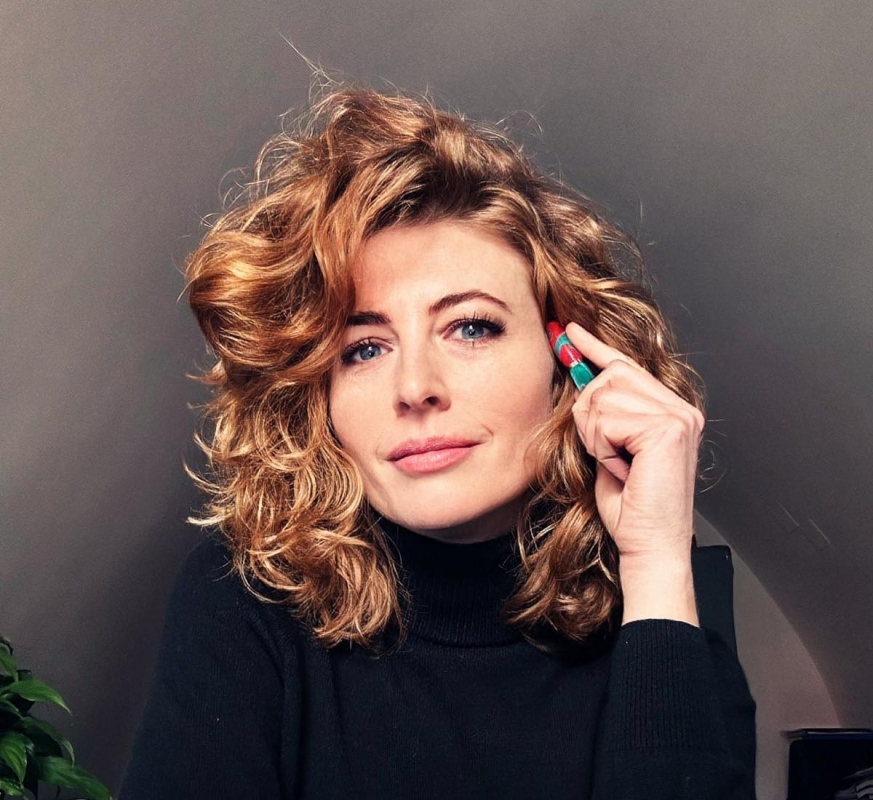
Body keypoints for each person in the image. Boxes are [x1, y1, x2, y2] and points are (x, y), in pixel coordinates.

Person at [121, 85, 756, 799]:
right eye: (364, 348)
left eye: (471, 327)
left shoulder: (668, 621)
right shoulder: (242, 601)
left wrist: (654, 564)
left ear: (568, 363)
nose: (414, 386)